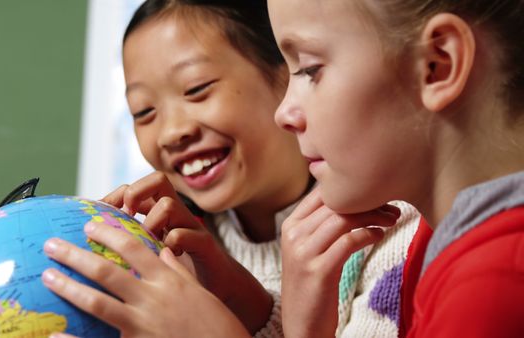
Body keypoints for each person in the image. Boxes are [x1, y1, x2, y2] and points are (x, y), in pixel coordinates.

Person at [42, 0, 421, 337]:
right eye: (143, 112)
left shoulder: (387, 225)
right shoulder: (176, 260)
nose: (172, 132)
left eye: (197, 88)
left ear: (286, 75)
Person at [267, 0, 524, 337]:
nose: (283, 114)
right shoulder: (440, 233)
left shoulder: (488, 292)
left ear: (437, 65)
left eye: (309, 69)